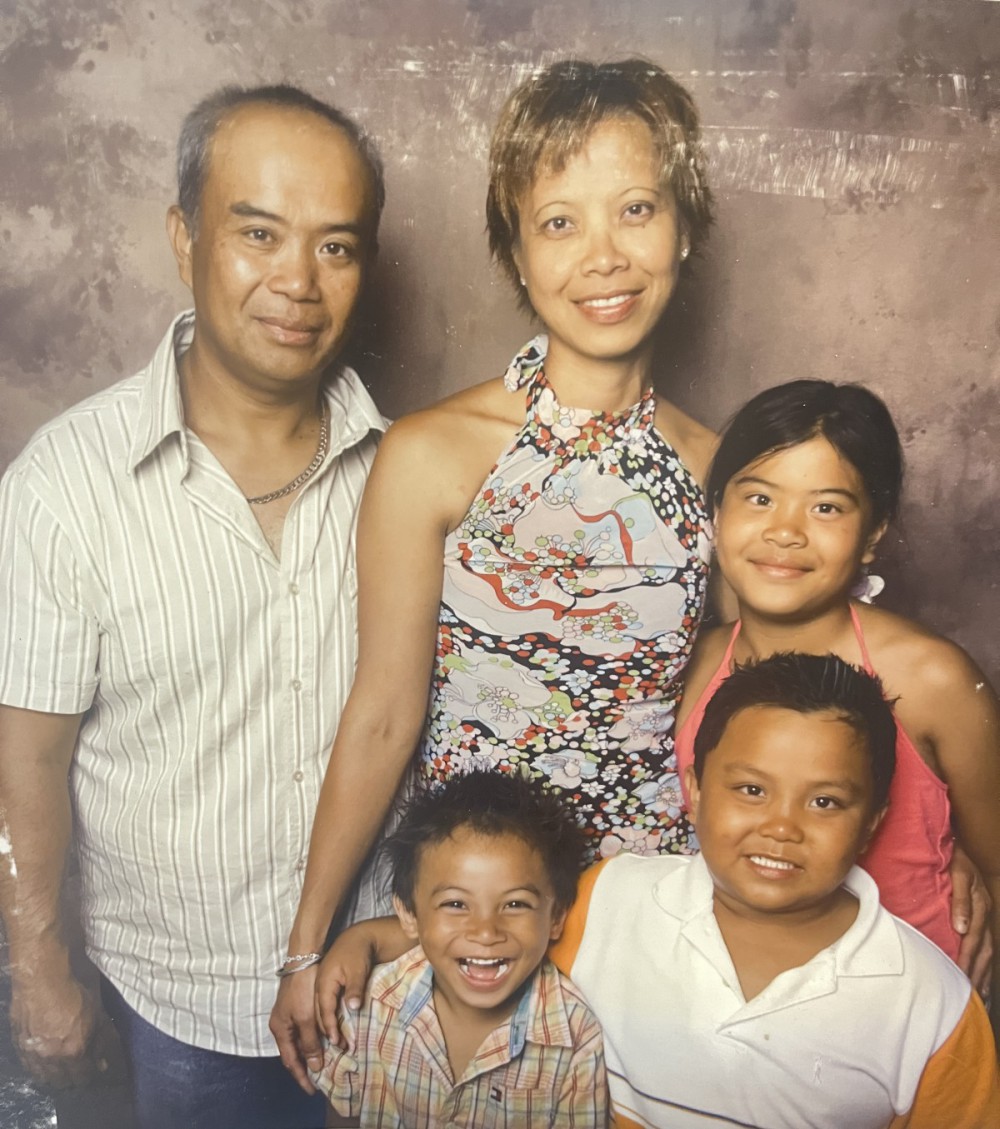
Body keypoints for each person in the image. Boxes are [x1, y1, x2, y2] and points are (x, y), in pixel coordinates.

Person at [272, 56, 719, 1087]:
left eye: (636, 210)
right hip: (465, 924)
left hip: (642, 914)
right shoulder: (432, 452)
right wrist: (308, 941)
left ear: (684, 228)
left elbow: (773, 675)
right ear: (515, 252)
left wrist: (935, 828)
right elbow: (383, 712)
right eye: (559, 221)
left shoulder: (723, 471)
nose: (602, 257)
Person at [0, 83, 386, 1129]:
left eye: (337, 247)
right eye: (257, 232)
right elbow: (22, 758)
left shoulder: (407, 472)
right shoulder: (63, 485)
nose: (297, 282)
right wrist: (38, 973)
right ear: (184, 237)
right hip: (171, 1010)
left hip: (383, 995)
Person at [325, 655, 1000, 1127]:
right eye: (751, 789)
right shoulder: (608, 898)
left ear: (873, 819)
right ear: (697, 790)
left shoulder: (930, 1000)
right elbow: (496, 928)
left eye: (825, 800)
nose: (781, 826)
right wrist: (364, 939)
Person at [673, 380, 1000, 1018]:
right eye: (760, 498)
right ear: (715, 513)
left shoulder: (932, 678)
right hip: (749, 1004)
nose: (786, 532)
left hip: (902, 1015)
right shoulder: (701, 661)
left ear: (873, 532)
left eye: (826, 508)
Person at [310, 771, 607, 1126]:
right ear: (408, 914)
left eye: (515, 904)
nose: (485, 931)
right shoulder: (366, 1008)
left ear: (556, 916)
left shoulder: (579, 1036)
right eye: (455, 904)